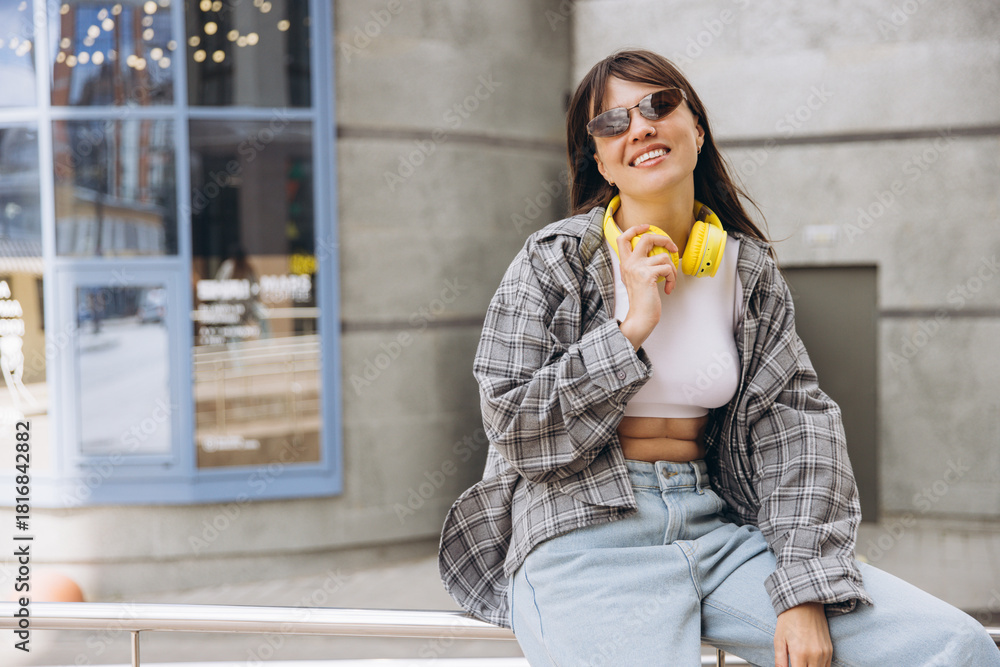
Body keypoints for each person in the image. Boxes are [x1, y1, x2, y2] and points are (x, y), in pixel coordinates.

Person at [438, 49, 1000, 666]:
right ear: (598, 159)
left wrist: (803, 588)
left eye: (658, 105)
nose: (641, 127)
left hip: (714, 528)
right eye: (612, 122)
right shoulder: (554, 261)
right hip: (582, 537)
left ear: (696, 128)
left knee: (957, 647)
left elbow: (797, 429)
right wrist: (629, 330)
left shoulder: (747, 272)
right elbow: (513, 425)